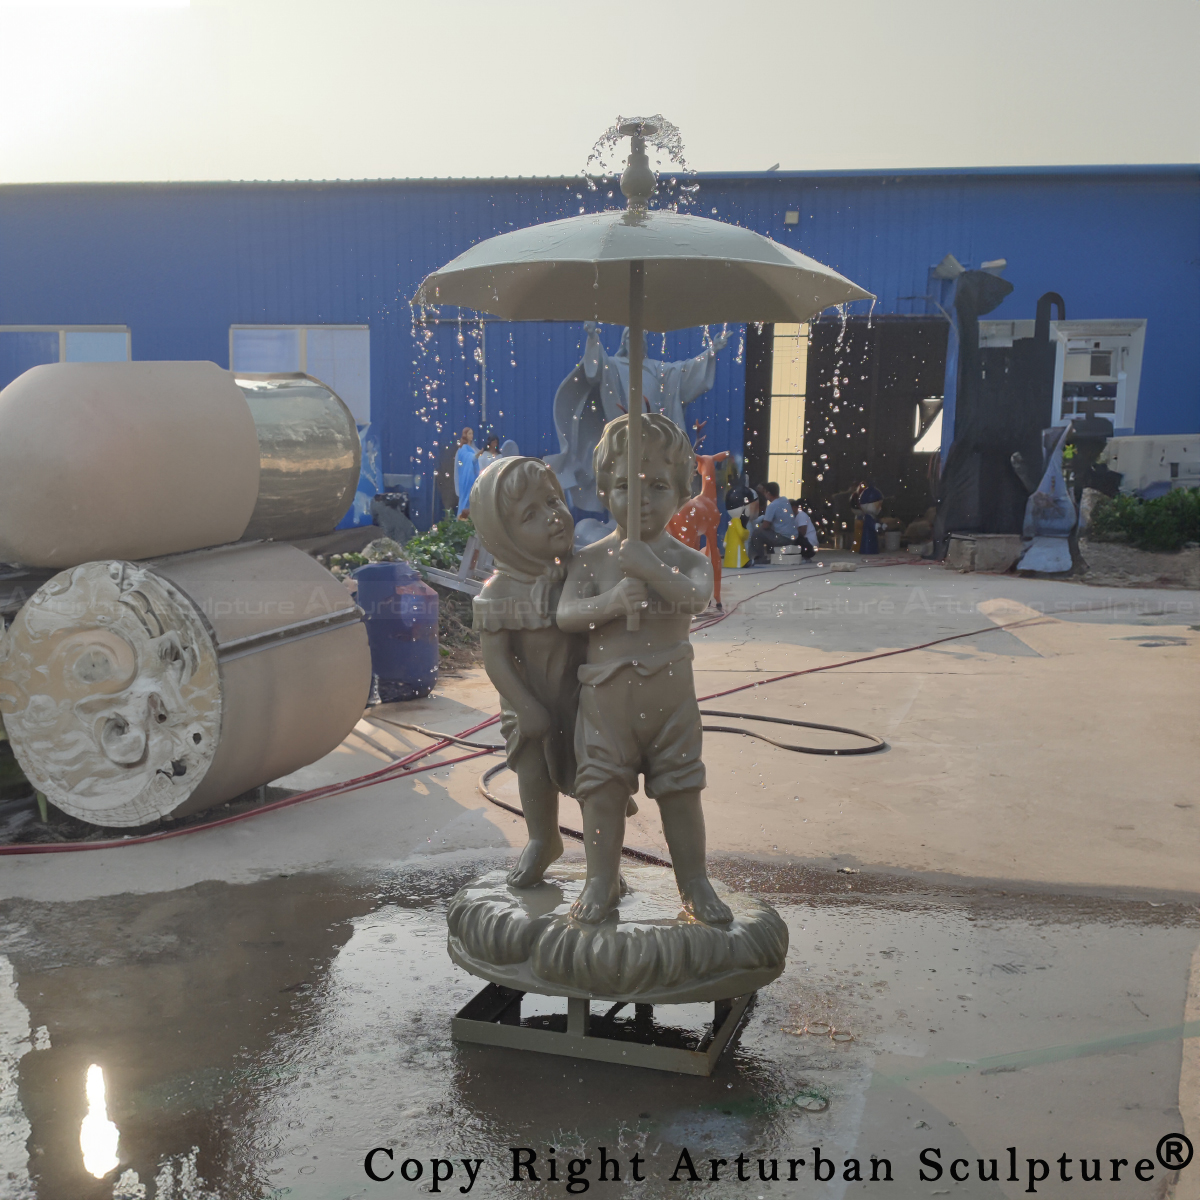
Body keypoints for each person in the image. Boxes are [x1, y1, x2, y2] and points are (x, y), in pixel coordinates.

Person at [557, 414, 732, 926]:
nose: (642, 500)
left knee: (681, 791)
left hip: (670, 700)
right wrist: (612, 599)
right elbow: (567, 615)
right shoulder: (589, 562)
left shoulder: (687, 561)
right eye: (626, 487)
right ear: (603, 490)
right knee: (602, 792)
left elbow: (698, 599)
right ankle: (600, 879)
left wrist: (651, 568)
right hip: (606, 702)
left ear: (682, 490)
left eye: (658, 486)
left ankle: (694, 881)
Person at [469, 458, 586, 887]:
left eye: (553, 500)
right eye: (530, 514)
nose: (553, 515)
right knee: (533, 770)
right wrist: (525, 704)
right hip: (528, 702)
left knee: (597, 776)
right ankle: (543, 839)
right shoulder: (500, 591)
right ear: (504, 537)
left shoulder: (581, 570)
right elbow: (496, 658)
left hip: (582, 695)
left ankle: (604, 859)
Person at [546, 323, 729, 512]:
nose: (636, 343)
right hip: (624, 437)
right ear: (624, 342)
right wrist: (592, 338)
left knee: (653, 476)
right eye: (631, 339)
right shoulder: (613, 365)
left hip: (654, 438)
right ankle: (623, 520)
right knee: (624, 476)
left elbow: (683, 372)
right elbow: (595, 369)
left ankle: (657, 520)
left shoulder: (656, 369)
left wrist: (711, 352)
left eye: (640, 340)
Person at [747, 482, 797, 565]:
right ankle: (770, 554)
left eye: (765, 492)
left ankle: (761, 558)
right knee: (769, 532)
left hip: (784, 539)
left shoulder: (772, 505)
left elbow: (765, 526)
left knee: (757, 533)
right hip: (793, 538)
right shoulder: (785, 500)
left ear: (769, 493)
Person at [722, 484, 759, 568]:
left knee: (730, 554)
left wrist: (725, 541)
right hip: (737, 546)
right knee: (739, 555)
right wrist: (747, 532)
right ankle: (743, 563)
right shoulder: (737, 521)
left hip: (730, 546)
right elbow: (742, 534)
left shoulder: (732, 521)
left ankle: (729, 563)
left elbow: (728, 532)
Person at [454, 428, 477, 518]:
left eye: (472, 433)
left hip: (473, 479)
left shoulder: (473, 449)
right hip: (465, 479)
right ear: (465, 435)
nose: (471, 436)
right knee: (465, 501)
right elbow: (460, 466)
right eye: (469, 433)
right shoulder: (462, 449)